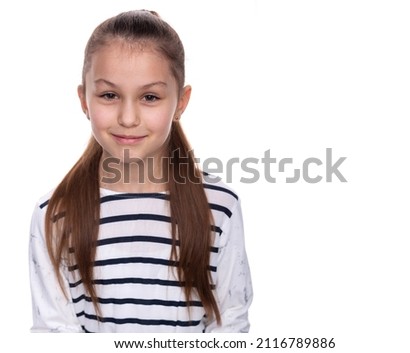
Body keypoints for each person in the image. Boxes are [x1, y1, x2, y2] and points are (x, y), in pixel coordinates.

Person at [28, 9, 252, 333]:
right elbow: (54, 334)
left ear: (180, 102)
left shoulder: (219, 209)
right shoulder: (54, 214)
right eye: (109, 95)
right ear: (84, 100)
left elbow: (229, 325)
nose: (128, 117)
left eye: (150, 97)